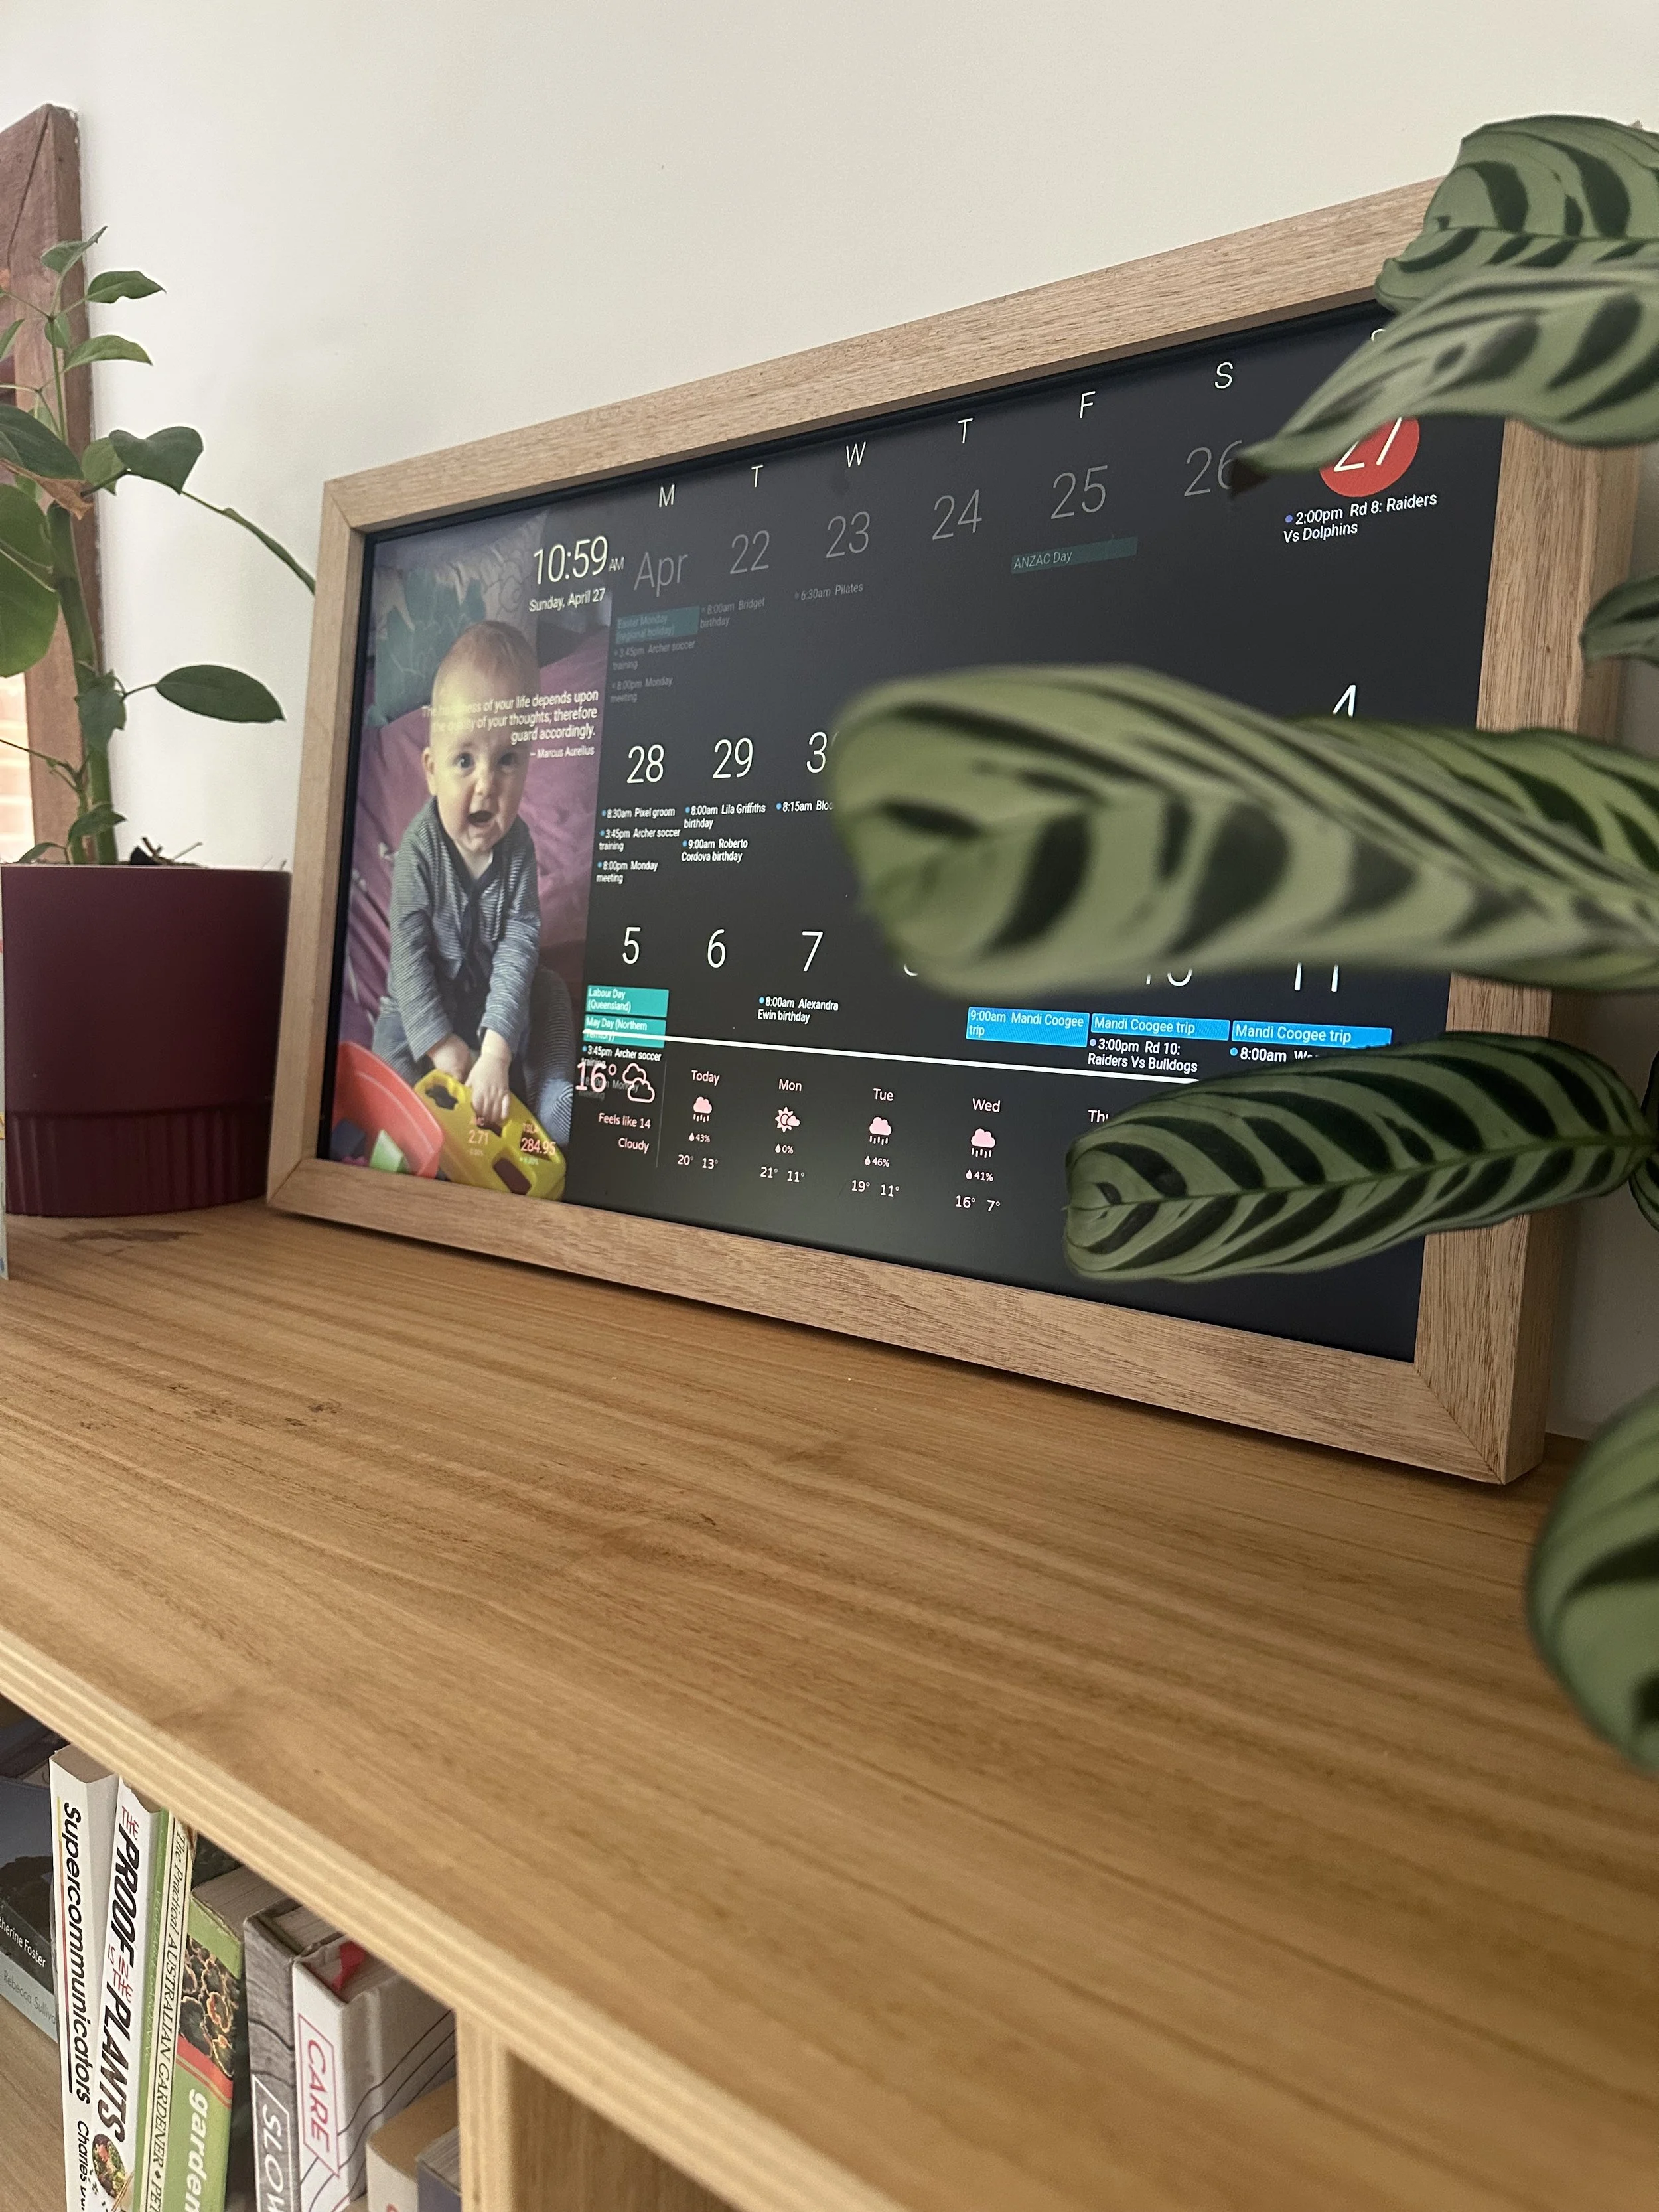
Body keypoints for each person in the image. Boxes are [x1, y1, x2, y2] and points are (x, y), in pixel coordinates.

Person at [372, 619, 575, 1147]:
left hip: (493, 1001)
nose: (487, 783)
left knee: (549, 990)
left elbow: (518, 944)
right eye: (465, 760)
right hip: (427, 1003)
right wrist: (441, 1045)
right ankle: (417, 1122)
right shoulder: (419, 851)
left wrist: (497, 1051)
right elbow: (410, 957)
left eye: (507, 759)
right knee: (391, 1048)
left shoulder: (518, 847)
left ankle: (552, 1091)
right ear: (431, 770)